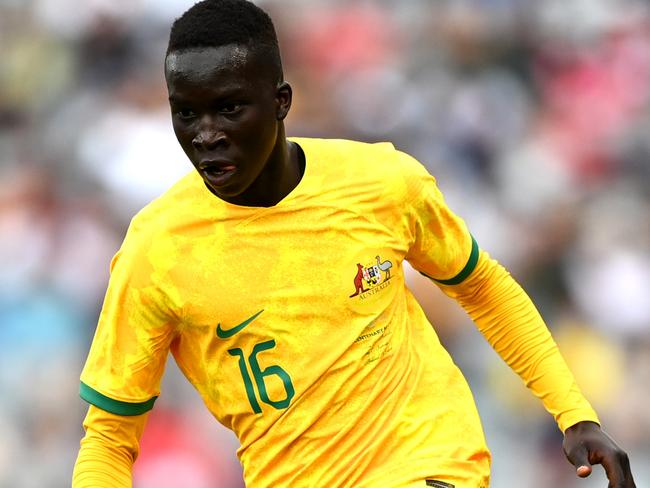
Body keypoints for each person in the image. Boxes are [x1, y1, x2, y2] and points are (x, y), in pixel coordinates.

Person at [72, 1, 636, 487]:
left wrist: (574, 413)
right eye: (186, 112)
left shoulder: (382, 182)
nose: (206, 133)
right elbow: (110, 435)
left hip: (431, 460)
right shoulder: (156, 249)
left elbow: (481, 285)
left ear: (282, 101)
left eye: (230, 107)